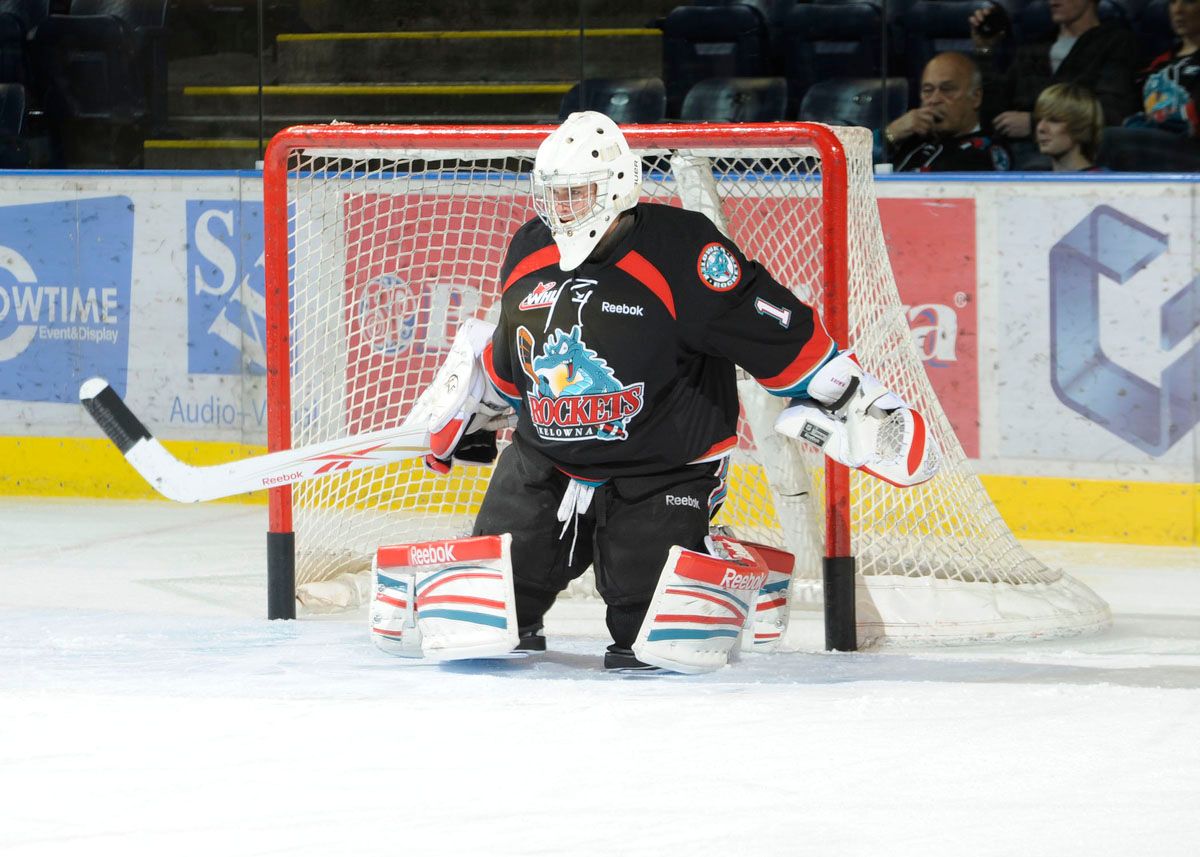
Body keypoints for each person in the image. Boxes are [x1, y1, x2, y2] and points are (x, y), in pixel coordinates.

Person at [406, 111, 939, 674]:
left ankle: (724, 554)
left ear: (616, 187)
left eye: (577, 193)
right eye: (552, 194)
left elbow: (775, 330)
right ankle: (536, 599)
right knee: (473, 628)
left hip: (663, 471)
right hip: (547, 463)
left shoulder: (685, 252)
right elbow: (517, 345)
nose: (561, 209)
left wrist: (848, 393)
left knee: (657, 645)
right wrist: (478, 399)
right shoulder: (531, 245)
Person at [970, 0, 1141, 166]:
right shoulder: (1034, 46)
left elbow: (1109, 112)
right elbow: (993, 108)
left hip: (1071, 156)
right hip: (1009, 152)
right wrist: (984, 50)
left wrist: (1033, 123)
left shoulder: (1116, 43)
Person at [1098, 0, 1200, 170]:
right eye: (1173, 2)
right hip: (1158, 142)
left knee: (1113, 140)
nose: (1178, 10)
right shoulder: (1154, 65)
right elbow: (1128, 110)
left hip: (1193, 145)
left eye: (1189, 2)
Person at [881, 52, 1010, 171]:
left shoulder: (986, 151)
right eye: (927, 90)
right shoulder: (907, 139)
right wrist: (890, 134)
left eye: (947, 89)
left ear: (976, 97)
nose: (934, 99)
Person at [1033, 82, 1106, 170]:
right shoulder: (1029, 177)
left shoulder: (1099, 182)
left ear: (1080, 127)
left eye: (1054, 120)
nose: (1040, 128)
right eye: (1039, 119)